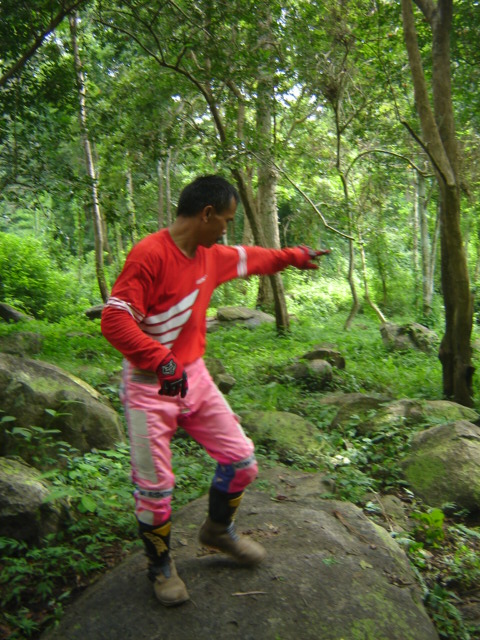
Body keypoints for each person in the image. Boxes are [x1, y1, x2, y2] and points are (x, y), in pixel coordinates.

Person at [101, 175, 330, 607]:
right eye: (225, 219)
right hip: (149, 387)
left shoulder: (210, 256)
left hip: (195, 377)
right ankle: (160, 566)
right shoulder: (149, 254)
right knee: (154, 489)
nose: (227, 228)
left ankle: (217, 531)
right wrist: (162, 360)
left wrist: (295, 256)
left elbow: (253, 258)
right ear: (206, 214)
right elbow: (115, 320)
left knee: (241, 461)